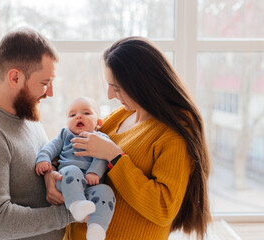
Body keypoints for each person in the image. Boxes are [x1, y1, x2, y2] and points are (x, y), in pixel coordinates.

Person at [46, 37, 211, 240]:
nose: (109, 95)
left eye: (116, 87)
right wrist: (51, 174)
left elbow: (163, 208)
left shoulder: (173, 134)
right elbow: (72, 147)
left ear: (141, 83)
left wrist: (114, 157)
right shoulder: (121, 115)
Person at [0, 27, 75, 240]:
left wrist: (50, 173)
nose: (50, 93)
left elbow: (41, 163)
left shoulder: (26, 115)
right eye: (44, 83)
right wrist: (70, 214)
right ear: (14, 78)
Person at [35, 97, 115, 240]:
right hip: (66, 182)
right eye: (72, 115)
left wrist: (93, 172)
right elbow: (49, 148)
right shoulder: (65, 134)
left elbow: (103, 157)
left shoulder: (100, 137)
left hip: (91, 186)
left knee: (106, 192)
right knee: (72, 170)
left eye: (86, 113)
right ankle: (76, 205)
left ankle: (96, 227)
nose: (78, 116)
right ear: (67, 121)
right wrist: (44, 160)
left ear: (98, 123)